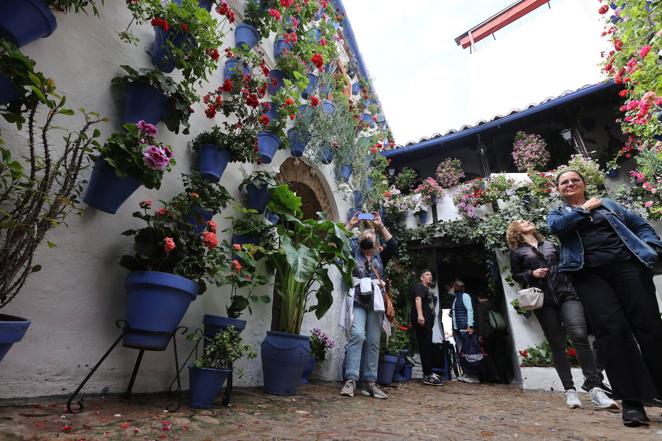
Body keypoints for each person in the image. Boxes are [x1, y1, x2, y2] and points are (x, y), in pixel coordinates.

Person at [548, 170, 662, 427]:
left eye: (574, 180)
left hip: (629, 267)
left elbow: (639, 224)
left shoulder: (609, 204)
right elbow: (556, 228)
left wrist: (652, 247)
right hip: (589, 275)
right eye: (564, 182)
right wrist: (584, 209)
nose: (569, 184)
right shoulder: (558, 213)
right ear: (559, 189)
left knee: (651, 329)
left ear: (584, 184)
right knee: (612, 333)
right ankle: (632, 404)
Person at [507, 219, 617, 410]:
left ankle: (595, 388)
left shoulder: (549, 244)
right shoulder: (517, 253)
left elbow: (567, 264)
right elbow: (517, 276)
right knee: (557, 345)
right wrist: (532, 274)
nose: (527, 221)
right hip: (544, 301)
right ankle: (570, 390)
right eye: (522, 221)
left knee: (580, 336)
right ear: (516, 230)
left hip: (567, 294)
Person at [339, 211, 395, 399]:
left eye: (371, 236)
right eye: (365, 236)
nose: (367, 238)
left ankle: (370, 382)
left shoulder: (380, 257)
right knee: (357, 335)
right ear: (360, 240)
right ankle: (351, 380)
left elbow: (393, 244)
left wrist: (379, 225)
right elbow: (339, 241)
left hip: (376, 303)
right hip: (357, 300)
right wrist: (352, 224)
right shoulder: (353, 253)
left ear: (376, 241)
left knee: (373, 341)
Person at [411, 269, 443, 386]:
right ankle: (427, 374)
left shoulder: (426, 289)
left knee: (427, 345)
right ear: (421, 277)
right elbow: (418, 299)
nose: (430, 276)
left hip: (427, 322)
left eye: (431, 274)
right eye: (427, 274)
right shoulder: (420, 287)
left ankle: (429, 372)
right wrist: (420, 315)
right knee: (425, 346)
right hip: (422, 321)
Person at [449, 280, 480, 383]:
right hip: (458, 330)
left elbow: (470, 310)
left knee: (469, 352)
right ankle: (466, 373)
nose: (451, 289)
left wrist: (470, 326)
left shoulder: (465, 296)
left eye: (452, 287)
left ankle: (473, 375)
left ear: (456, 287)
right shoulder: (456, 298)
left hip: (465, 329)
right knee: (462, 352)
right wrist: (454, 329)